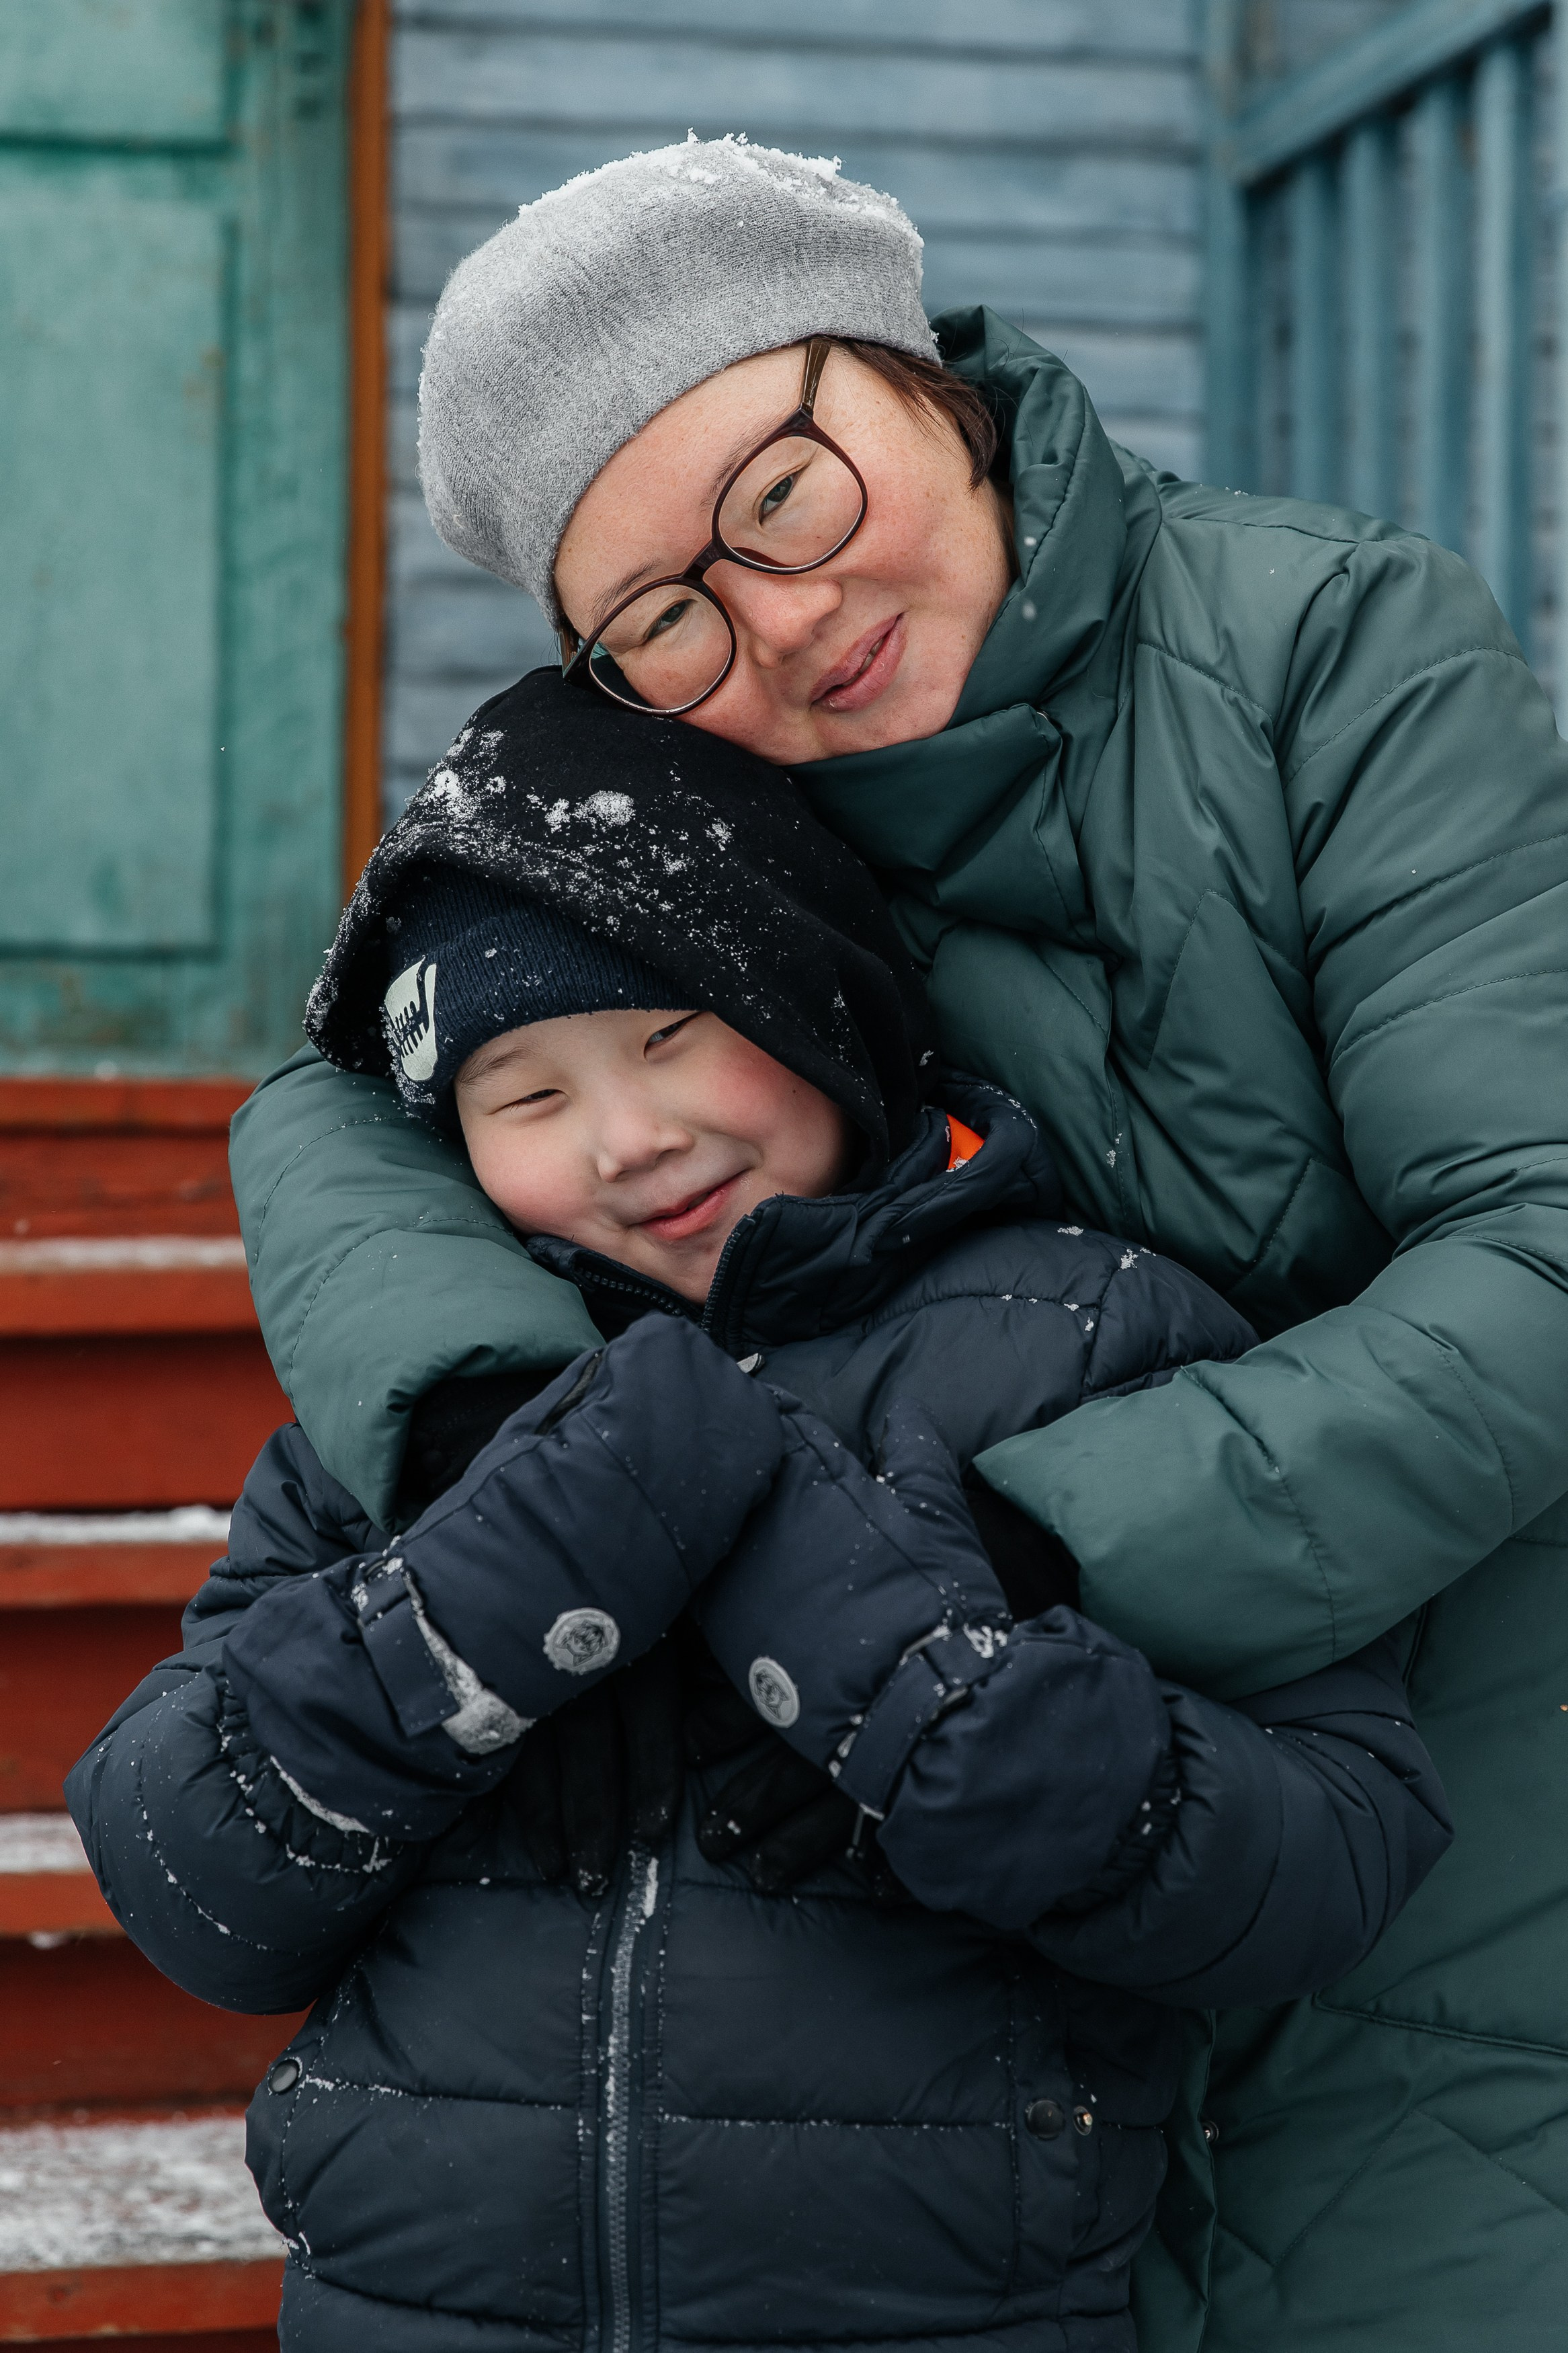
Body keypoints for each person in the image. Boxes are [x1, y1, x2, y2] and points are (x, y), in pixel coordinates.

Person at [231, 140, 1568, 2350]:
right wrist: (527, 1440)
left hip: (1429, 1784)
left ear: (906, 371)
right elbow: (337, 1093)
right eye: (658, 609)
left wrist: (1012, 1538)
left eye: (781, 485)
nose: (779, 620)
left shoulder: (1323, 647)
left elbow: (1539, 1241)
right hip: (953, 1885)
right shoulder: (696, 776)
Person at [70, 679, 1451, 2352]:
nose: (631, 1141)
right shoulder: (421, 1419)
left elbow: (1328, 1851)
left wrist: (933, 1704)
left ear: (818, 1003)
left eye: (670, 1037)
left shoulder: (1087, 1344)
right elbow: (194, 1880)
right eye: (527, 1097)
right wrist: (479, 1609)